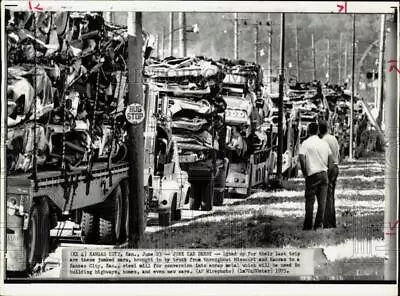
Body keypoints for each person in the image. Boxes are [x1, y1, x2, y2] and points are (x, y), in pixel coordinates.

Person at [298, 122, 334, 230]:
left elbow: (301, 158)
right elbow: (331, 160)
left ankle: (308, 225)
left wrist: (305, 172)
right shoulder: (324, 144)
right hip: (323, 174)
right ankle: (318, 224)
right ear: (318, 131)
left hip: (311, 175)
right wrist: (327, 172)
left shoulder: (305, 143)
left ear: (308, 131)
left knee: (310, 201)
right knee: (322, 202)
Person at [319, 120, 340, 228]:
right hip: (335, 167)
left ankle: (327, 222)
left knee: (326, 196)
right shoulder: (333, 138)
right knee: (331, 195)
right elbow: (338, 154)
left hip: (328, 168)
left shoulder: (323, 140)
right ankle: (332, 221)